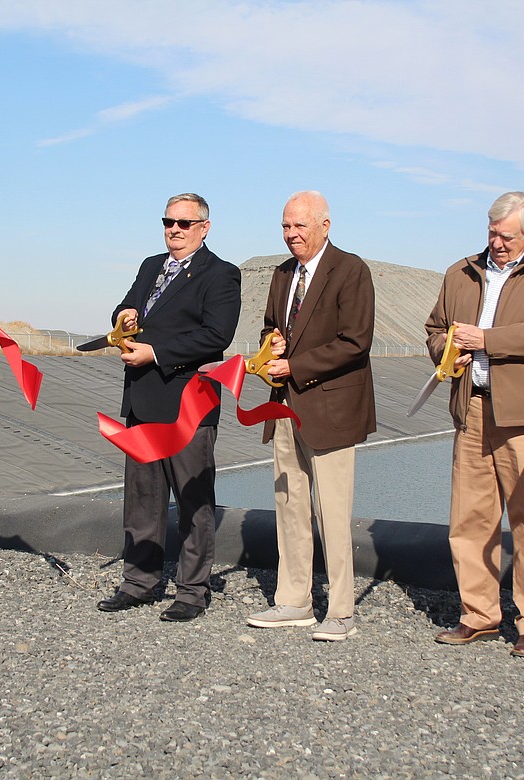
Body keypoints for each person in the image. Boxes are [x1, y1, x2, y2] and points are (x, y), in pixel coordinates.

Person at [425, 192, 524, 658]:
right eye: (492, 232)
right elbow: (434, 328)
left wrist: (486, 340)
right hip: (471, 408)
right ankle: (479, 616)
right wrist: (448, 349)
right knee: (470, 517)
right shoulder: (460, 271)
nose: (497, 242)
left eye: (507, 236)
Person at [96, 193, 241, 622]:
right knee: (142, 498)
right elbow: (127, 307)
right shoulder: (149, 266)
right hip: (143, 401)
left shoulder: (221, 275)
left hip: (188, 406)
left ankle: (192, 591)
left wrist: (155, 352)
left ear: (204, 227)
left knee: (193, 499)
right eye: (167, 222)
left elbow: (217, 336)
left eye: (182, 222)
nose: (173, 229)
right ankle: (139, 582)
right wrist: (123, 316)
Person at [246, 190, 375, 642]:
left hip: (331, 410)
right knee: (289, 505)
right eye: (285, 226)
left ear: (325, 225)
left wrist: (295, 365)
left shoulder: (351, 270)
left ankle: (341, 612)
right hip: (284, 407)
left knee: (332, 511)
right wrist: (272, 343)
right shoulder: (283, 274)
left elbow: (355, 341)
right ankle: (294, 601)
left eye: (299, 225)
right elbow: (270, 324)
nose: (291, 234)